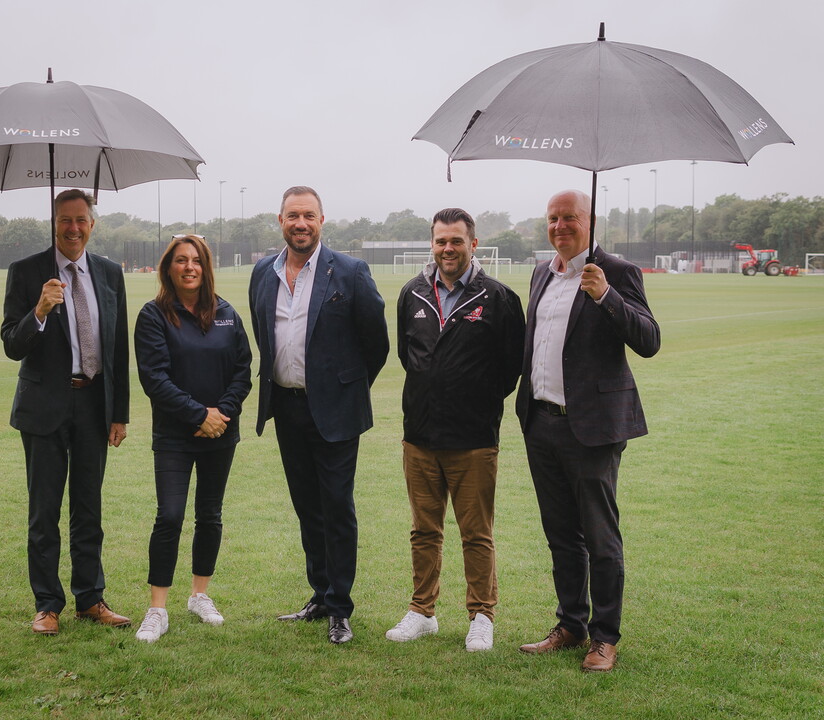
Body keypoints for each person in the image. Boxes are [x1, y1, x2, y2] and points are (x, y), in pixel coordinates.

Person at [515, 190, 660, 671]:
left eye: (569, 218)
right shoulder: (542, 272)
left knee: (600, 538)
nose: (560, 226)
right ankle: (571, 623)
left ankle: (605, 637)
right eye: (552, 218)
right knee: (560, 535)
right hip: (542, 423)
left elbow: (649, 340)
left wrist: (605, 296)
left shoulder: (615, 273)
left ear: (590, 220)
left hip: (592, 430)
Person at [248, 186, 389, 645]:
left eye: (308, 215)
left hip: (335, 412)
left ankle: (340, 607)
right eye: (293, 216)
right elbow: (264, 335)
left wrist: (345, 390)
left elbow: (376, 343)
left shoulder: (349, 271)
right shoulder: (262, 273)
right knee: (307, 506)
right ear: (280, 220)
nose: (300, 223)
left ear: (322, 219)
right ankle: (320, 594)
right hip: (287, 408)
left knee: (336, 507)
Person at [388, 208, 525, 652]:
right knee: (423, 531)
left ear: (473, 244)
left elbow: (510, 370)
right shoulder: (412, 294)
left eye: (457, 241)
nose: (448, 249)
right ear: (432, 243)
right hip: (420, 437)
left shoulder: (499, 298)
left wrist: (473, 401)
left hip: (474, 440)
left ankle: (481, 615)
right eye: (441, 241)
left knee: (476, 533)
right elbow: (409, 358)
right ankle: (421, 611)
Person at [1, 189, 131, 636]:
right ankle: (47, 604)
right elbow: (11, 345)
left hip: (94, 404)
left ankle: (90, 599)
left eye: (80, 219)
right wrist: (39, 309)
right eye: (64, 220)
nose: (72, 228)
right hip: (44, 407)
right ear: (53, 223)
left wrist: (120, 413)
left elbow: (117, 348)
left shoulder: (110, 274)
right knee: (44, 511)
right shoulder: (27, 272)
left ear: (92, 224)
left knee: (88, 508)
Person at [132, 235, 252, 643]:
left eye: (196, 260)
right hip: (174, 435)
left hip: (221, 433)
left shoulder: (226, 313)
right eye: (180, 260)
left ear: (206, 266)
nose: (189, 267)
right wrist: (199, 415)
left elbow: (242, 370)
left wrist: (220, 415)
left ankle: (200, 595)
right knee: (169, 516)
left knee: (210, 515)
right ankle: (157, 608)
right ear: (169, 267)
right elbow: (155, 377)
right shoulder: (153, 315)